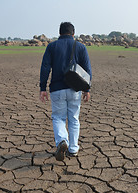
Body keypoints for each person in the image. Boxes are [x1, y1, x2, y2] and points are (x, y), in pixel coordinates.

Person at [39, 22, 92, 161]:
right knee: (74, 119)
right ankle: (73, 149)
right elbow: (87, 69)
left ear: (60, 33)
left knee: (58, 118)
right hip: (75, 89)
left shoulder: (52, 46)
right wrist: (86, 89)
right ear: (73, 33)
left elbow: (45, 67)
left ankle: (63, 141)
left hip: (57, 89)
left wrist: (42, 88)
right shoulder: (80, 47)